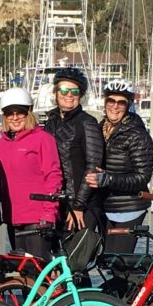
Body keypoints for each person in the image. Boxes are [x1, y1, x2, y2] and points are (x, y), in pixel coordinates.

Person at [85, 79, 153, 253]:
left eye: (121, 102)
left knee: (119, 262)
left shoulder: (137, 134)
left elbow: (142, 177)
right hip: (105, 206)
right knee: (107, 260)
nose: (115, 106)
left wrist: (109, 179)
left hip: (128, 208)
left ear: (128, 105)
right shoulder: (100, 128)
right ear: (105, 101)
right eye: (111, 100)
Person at [0, 87, 62, 260]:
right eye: (10, 113)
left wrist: (49, 213)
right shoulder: (1, 144)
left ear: (29, 112)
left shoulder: (43, 139)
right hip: (12, 217)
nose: (15, 117)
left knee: (40, 274)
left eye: (20, 112)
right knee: (24, 275)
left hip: (37, 218)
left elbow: (53, 175)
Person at [44, 66, 104, 231]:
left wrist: (78, 205)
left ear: (81, 95)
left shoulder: (87, 123)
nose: (69, 95)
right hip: (56, 202)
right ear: (55, 93)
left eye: (75, 91)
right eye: (64, 90)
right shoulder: (50, 123)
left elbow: (93, 167)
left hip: (81, 205)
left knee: (77, 255)